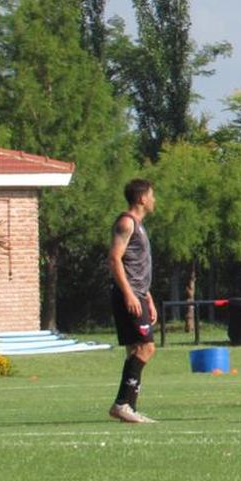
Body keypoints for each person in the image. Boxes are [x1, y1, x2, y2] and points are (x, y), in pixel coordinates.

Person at [107, 178, 158, 424]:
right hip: (128, 296)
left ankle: (128, 406)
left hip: (138, 294)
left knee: (134, 351)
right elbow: (115, 259)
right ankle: (122, 404)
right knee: (146, 348)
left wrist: (147, 296)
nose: (154, 199)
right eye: (152, 195)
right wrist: (129, 293)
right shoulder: (127, 222)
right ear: (142, 198)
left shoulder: (139, 225)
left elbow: (136, 266)